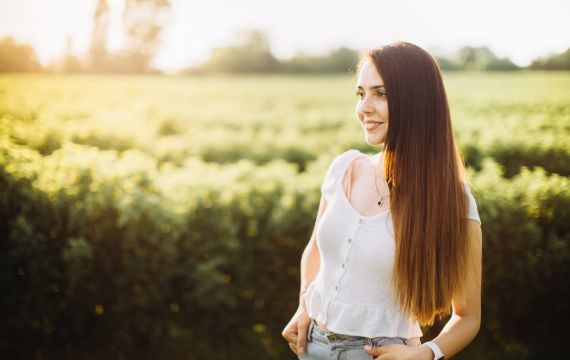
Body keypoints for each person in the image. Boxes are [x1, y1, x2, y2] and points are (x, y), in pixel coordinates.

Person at [281, 41, 483, 360]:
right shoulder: (344, 168)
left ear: (416, 102)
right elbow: (315, 250)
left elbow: (468, 317)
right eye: (361, 94)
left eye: (381, 94)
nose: (364, 108)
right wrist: (304, 304)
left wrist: (426, 353)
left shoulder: (451, 199)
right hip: (311, 347)